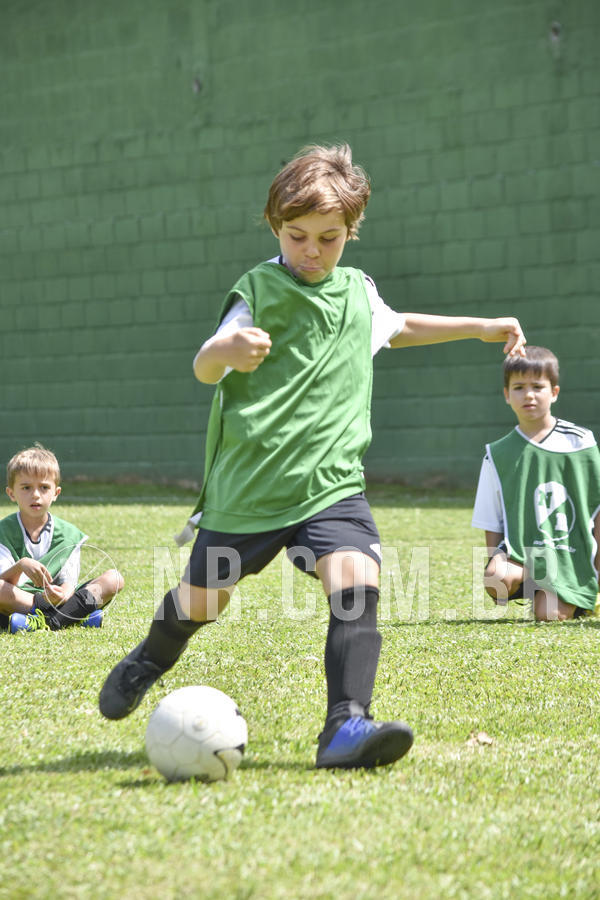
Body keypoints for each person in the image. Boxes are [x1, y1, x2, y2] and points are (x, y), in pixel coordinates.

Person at [100, 143, 526, 769]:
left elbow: (397, 326)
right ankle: (149, 658)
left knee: (357, 584)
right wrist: (229, 351)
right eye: (297, 235)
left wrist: (482, 326)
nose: (312, 250)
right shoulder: (259, 290)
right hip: (249, 493)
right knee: (202, 601)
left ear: (351, 232)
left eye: (329, 237)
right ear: (275, 226)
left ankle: (344, 729)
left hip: (331, 486)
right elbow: (203, 362)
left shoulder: (358, 292)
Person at [472, 346, 600, 621]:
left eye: (537, 387)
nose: (528, 394)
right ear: (506, 395)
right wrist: (493, 562)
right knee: (496, 578)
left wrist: (597, 569)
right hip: (524, 553)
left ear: (554, 392)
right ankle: (536, 586)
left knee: (548, 616)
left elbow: (597, 509)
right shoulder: (498, 453)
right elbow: (491, 520)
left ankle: (578, 596)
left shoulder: (580, 442)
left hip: (569, 554)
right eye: (518, 387)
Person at [0, 444, 124, 633]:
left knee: (114, 579)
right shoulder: (4, 531)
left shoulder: (68, 533)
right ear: (11, 493)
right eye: (26, 487)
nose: (35, 495)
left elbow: (69, 583)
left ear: (55, 493)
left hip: (59, 600)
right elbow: (4, 582)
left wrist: (62, 595)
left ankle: (41, 621)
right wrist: (22, 564)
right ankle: (71, 617)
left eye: (44, 487)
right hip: (19, 600)